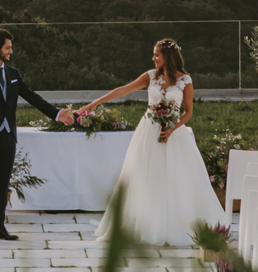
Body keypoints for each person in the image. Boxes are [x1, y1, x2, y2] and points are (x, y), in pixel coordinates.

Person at [77, 38, 226, 246]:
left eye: (156, 54)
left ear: (168, 56)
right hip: (148, 132)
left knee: (176, 178)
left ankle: (175, 225)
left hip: (174, 134)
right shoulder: (150, 76)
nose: (153, 58)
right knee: (144, 175)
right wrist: (95, 102)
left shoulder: (186, 81)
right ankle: (145, 223)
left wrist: (173, 128)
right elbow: (124, 90)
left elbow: (189, 112)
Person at [0, 28, 70, 242]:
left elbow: (32, 96)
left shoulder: (13, 74)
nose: (11, 51)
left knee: (2, 183)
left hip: (7, 138)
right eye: (8, 47)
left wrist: (57, 114)